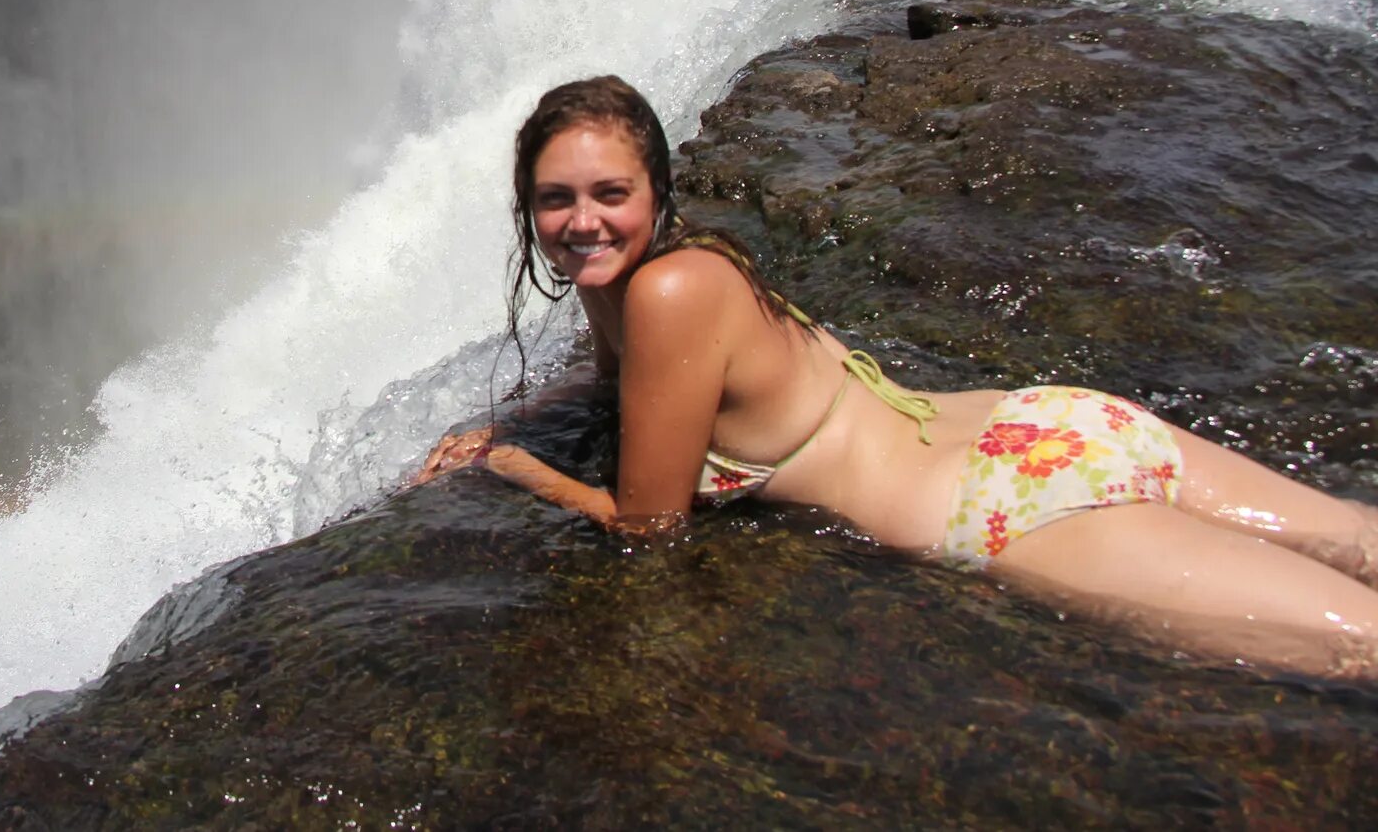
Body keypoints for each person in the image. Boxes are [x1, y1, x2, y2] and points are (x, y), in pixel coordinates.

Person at [417, 74, 1378, 677]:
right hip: (1051, 422)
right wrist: (537, 411)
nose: (582, 220)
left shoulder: (662, 294)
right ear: (529, 209)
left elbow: (648, 526)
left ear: (656, 195)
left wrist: (511, 464)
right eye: (557, 199)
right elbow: (618, 384)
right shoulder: (661, 272)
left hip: (1001, 511)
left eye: (608, 194)